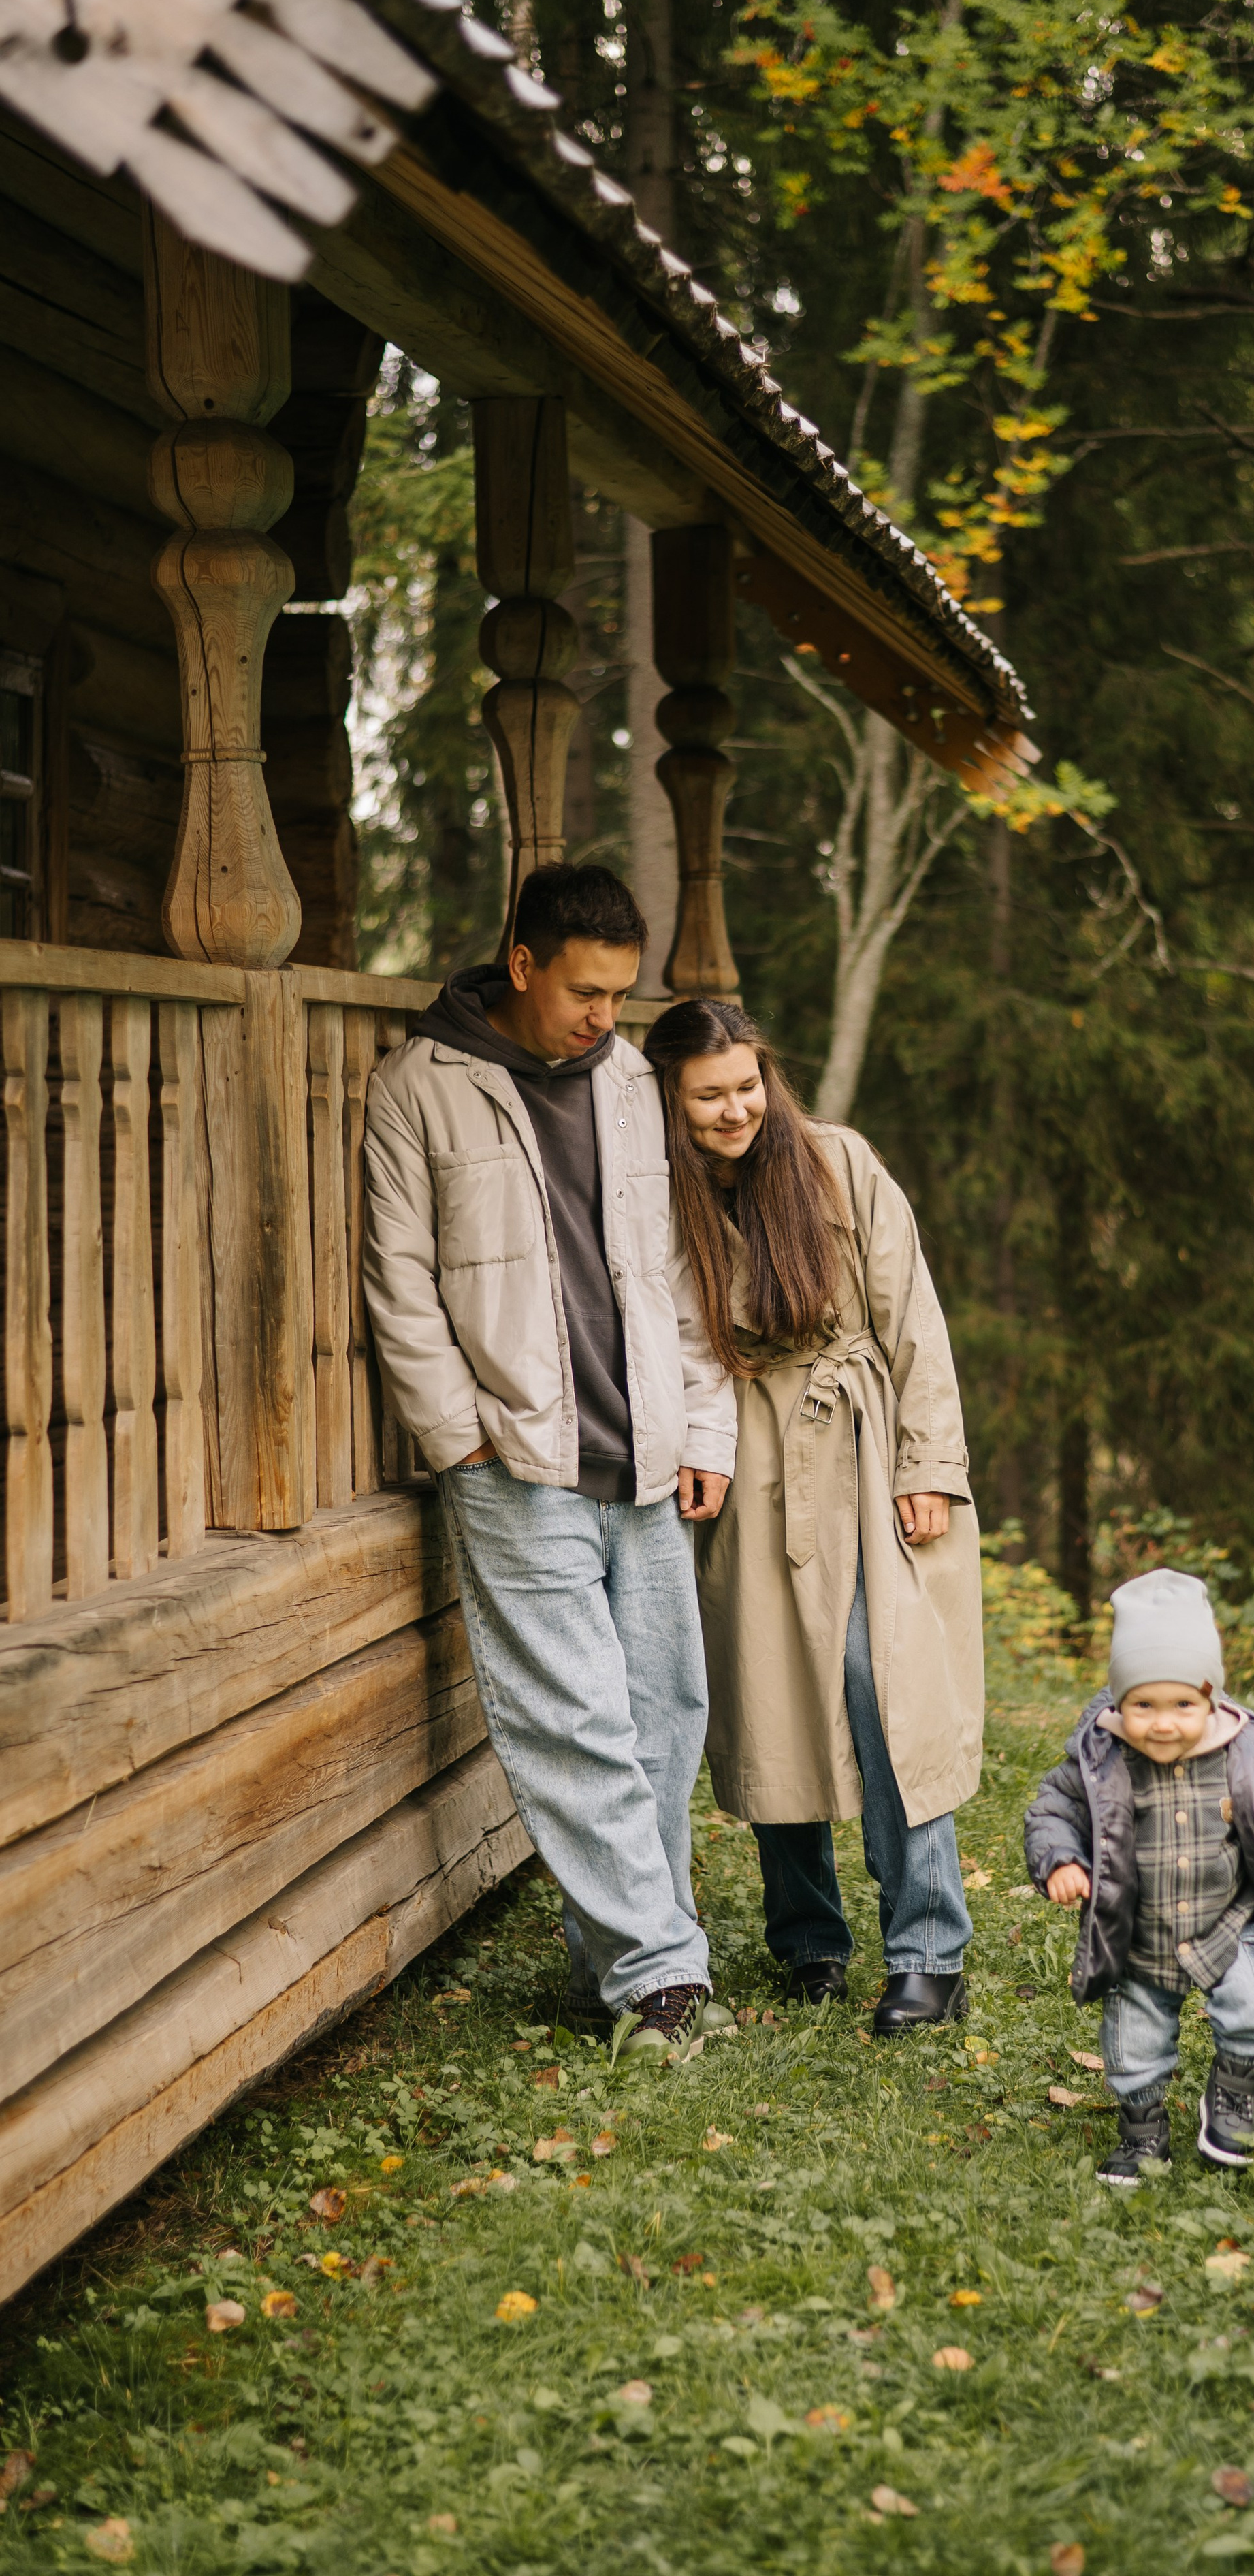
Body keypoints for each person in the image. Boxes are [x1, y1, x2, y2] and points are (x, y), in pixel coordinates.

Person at [362, 864, 737, 2061]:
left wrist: (707, 1422)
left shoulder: (631, 1080)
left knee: (666, 1710)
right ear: (521, 965)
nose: (604, 1017)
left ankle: (618, 1962)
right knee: (573, 1717)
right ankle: (663, 1975)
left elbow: (681, 1262)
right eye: (585, 989)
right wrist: (456, 1432)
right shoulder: (420, 1088)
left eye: (620, 994)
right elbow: (400, 1280)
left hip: (647, 1448)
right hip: (517, 1454)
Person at [641, 997, 984, 2037]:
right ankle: (808, 1943)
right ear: (672, 1098)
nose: (735, 1108)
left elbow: (911, 1314)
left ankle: (929, 1950)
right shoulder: (661, 1192)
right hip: (742, 1450)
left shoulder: (836, 1161)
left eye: (747, 1086)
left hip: (862, 1440)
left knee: (887, 1688)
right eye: (709, 1096)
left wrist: (927, 1463)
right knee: (770, 1691)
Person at [1024, 1569, 1254, 2183]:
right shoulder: (1100, 1757)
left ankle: (1231, 2095)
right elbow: (1053, 1809)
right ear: (1120, 1702)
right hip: (1137, 1933)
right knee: (1134, 2044)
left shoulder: (1246, 1752)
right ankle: (1142, 2132)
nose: (1163, 1723)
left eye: (1183, 1704)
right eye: (1143, 1705)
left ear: (1211, 1699)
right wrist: (1062, 1861)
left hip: (1229, 1922)